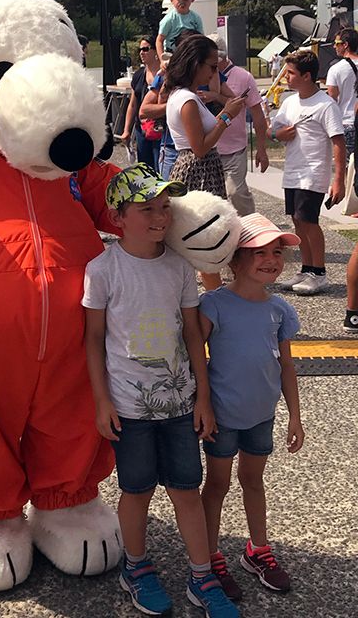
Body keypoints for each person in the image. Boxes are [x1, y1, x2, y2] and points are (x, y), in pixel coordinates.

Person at [83, 163, 239, 618]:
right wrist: (102, 400)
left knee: (186, 489)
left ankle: (201, 575)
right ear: (117, 218)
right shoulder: (103, 269)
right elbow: (93, 339)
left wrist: (203, 396)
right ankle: (136, 567)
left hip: (179, 405)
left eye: (165, 207)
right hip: (129, 409)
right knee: (137, 490)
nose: (159, 217)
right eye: (146, 208)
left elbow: (192, 333)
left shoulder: (178, 268)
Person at [199, 213, 304, 601]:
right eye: (258, 251)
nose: (271, 259)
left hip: (262, 414)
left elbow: (287, 366)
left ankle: (257, 549)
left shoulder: (280, 309)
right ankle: (209, 556)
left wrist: (295, 415)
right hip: (222, 417)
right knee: (218, 484)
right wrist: (202, 404)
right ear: (234, 259)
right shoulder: (213, 305)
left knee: (253, 481)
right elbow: (196, 357)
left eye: (277, 252)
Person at [165, 35, 246, 289]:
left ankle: (213, 294)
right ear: (195, 64)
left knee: (204, 236)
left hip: (198, 167)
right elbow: (200, 147)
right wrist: (227, 117)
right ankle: (215, 297)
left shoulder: (184, 96)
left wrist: (224, 113)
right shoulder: (187, 100)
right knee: (206, 237)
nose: (214, 72)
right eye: (211, 67)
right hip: (198, 169)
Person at [270, 50, 345, 296]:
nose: (287, 78)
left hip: (313, 172)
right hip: (292, 171)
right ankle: (307, 268)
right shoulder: (290, 102)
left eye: (291, 73)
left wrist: (338, 180)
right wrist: (278, 135)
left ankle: (319, 272)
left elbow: (338, 142)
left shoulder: (326, 105)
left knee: (309, 221)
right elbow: (275, 130)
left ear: (307, 75)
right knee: (296, 220)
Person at [206, 34, 269, 215]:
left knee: (236, 193)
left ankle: (251, 229)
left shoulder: (243, 77)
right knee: (212, 199)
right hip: (208, 148)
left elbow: (257, 114)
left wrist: (262, 148)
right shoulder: (200, 74)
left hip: (234, 149)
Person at [121, 36, 163, 171]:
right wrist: (127, 130)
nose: (141, 52)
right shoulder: (139, 75)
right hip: (142, 129)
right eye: (140, 49)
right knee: (145, 168)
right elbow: (132, 104)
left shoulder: (165, 75)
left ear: (156, 51)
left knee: (159, 167)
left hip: (160, 127)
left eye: (145, 49)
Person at [325, 27, 358, 159]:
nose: (334, 46)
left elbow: (332, 98)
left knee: (347, 169)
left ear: (345, 45)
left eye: (337, 43)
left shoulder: (336, 69)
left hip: (346, 122)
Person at [156, 0, 203, 69]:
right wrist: (162, 61)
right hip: (172, 58)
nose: (181, 1)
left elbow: (200, 39)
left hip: (190, 57)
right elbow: (159, 40)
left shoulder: (196, 18)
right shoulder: (169, 19)